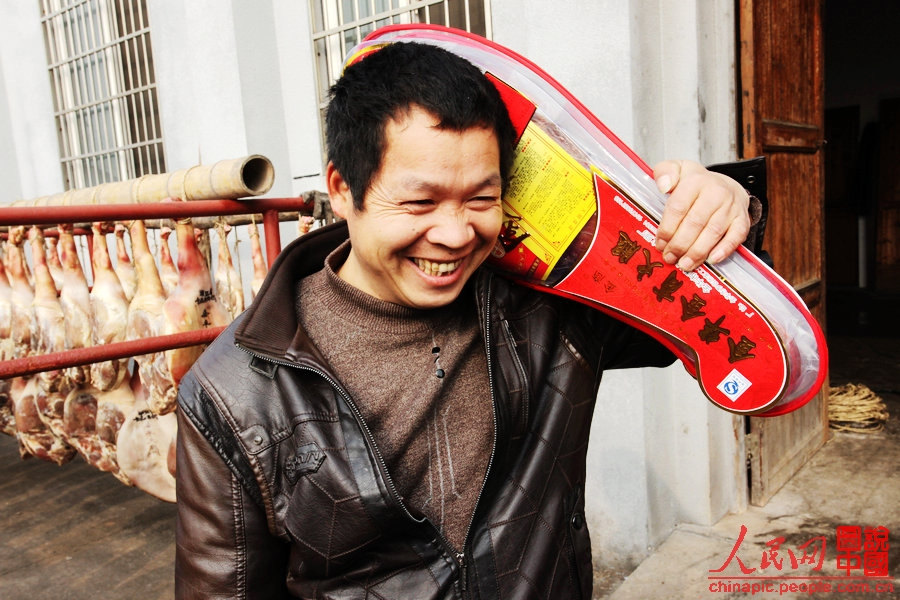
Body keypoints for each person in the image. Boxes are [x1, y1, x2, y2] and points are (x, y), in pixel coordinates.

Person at [175, 41, 753, 599]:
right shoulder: (232, 393)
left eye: (481, 199)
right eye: (419, 203)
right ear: (342, 189)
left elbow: (735, 327)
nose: (455, 235)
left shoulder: (550, 310)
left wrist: (728, 204)